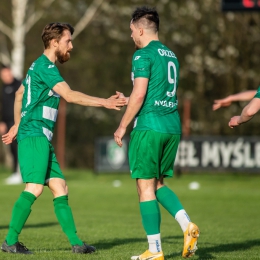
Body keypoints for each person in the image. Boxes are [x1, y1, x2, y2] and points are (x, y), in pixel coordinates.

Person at [1, 22, 126, 255]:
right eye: (68, 40)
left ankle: (77, 244)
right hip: (35, 134)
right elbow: (69, 95)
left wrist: (18, 123)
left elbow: (20, 94)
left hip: (37, 135)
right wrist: (106, 102)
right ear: (54, 42)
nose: (72, 45)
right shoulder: (46, 67)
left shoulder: (36, 66)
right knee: (35, 188)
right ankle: (9, 241)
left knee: (60, 187)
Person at [114, 7, 199, 260]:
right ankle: (187, 225)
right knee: (158, 183)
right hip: (171, 127)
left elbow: (141, 95)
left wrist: (122, 125)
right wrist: (129, 100)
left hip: (149, 127)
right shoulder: (171, 55)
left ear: (140, 29)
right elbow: (153, 94)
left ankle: (154, 251)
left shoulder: (142, 55)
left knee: (144, 187)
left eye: (131, 31)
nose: (131, 36)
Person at [0, 67, 22, 185]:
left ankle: (24, 172)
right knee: (12, 148)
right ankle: (15, 173)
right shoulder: (3, 88)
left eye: (7, 74)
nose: (6, 77)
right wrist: (2, 122)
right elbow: (3, 107)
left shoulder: (20, 85)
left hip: (18, 122)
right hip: (8, 122)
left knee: (22, 147)